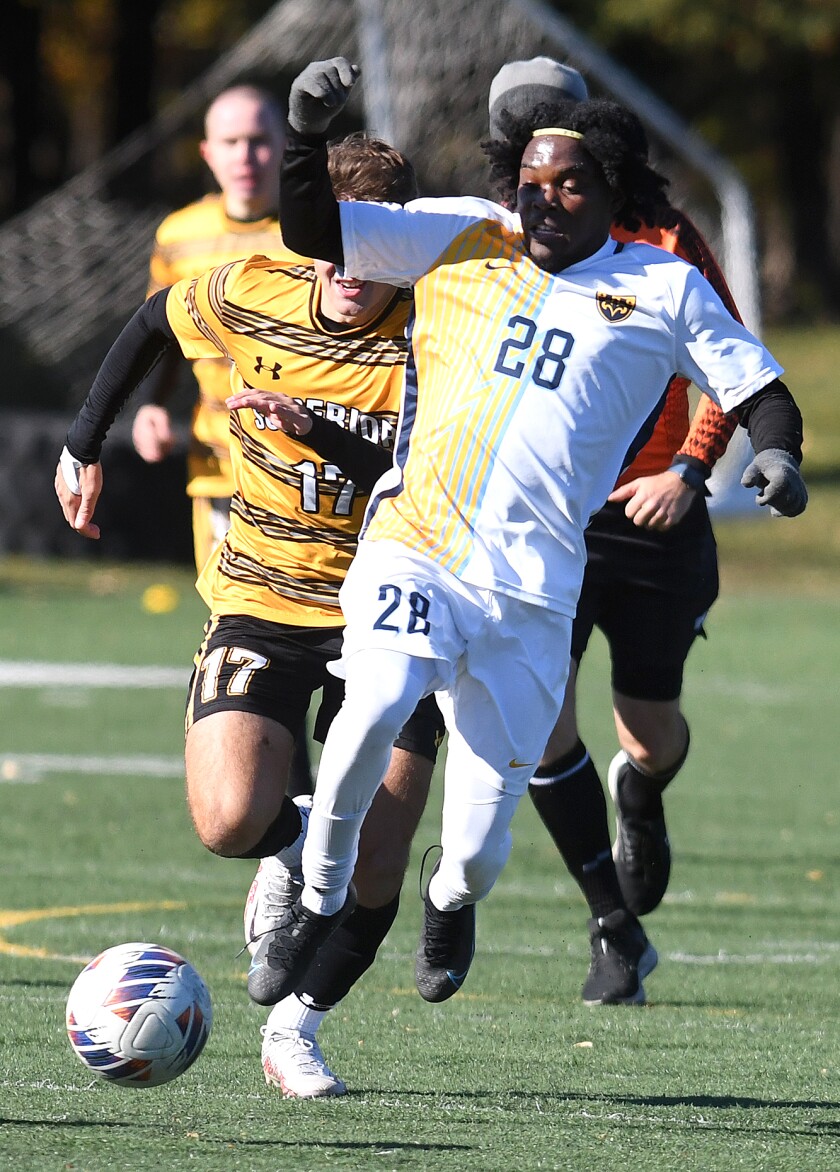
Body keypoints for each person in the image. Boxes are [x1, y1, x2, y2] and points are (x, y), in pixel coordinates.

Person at [247, 56, 806, 1021]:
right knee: (374, 703)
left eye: (570, 186)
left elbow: (760, 387)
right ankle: (314, 895)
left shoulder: (663, 283)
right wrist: (303, 136)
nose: (543, 203)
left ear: (612, 193)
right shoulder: (466, 231)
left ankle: (449, 898)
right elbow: (314, 228)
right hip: (417, 542)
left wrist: (777, 456)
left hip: (534, 590)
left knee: (478, 847)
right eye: (531, 183)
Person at [54, 132, 445, 1100]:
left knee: (377, 868)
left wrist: (324, 439)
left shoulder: (439, 338)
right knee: (228, 819)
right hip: (263, 593)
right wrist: (81, 445)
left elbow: (433, 487)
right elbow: (153, 317)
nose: (351, 274)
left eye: (375, 255)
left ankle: (294, 1030)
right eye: (335, 248)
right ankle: (294, 833)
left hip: (393, 605)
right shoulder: (251, 287)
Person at [487, 58, 745, 1006]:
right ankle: (612, 926)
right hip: (542, 522)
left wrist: (690, 468)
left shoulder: (667, 239)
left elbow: (735, 364)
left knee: (649, 730)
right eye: (522, 145)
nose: (543, 170)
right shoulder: (491, 240)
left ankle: (643, 790)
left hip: (649, 517)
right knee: (540, 718)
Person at [131, 83, 312, 796]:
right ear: (208, 153)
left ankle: (306, 802)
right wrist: (152, 406)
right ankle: (276, 803)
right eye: (232, 142)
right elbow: (164, 331)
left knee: (310, 637)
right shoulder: (180, 235)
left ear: (284, 149)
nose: (248, 155)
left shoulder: (312, 229)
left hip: (309, 476)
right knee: (241, 629)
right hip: (220, 472)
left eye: (261, 140)